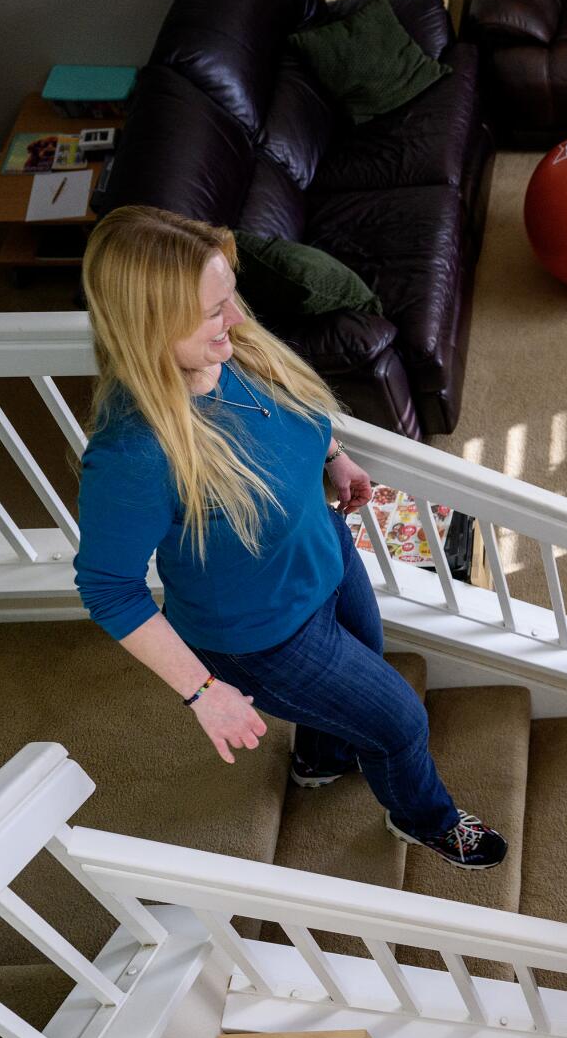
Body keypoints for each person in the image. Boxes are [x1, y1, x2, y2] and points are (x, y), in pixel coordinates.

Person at [71, 205, 504, 871]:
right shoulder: (134, 451)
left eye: (229, 298)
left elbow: (297, 410)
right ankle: (425, 817)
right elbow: (109, 589)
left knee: (366, 681)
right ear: (150, 324)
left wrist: (332, 458)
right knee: (400, 722)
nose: (237, 320)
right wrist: (202, 690)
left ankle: (320, 756)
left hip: (326, 558)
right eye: (215, 311)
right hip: (263, 636)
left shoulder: (232, 351)